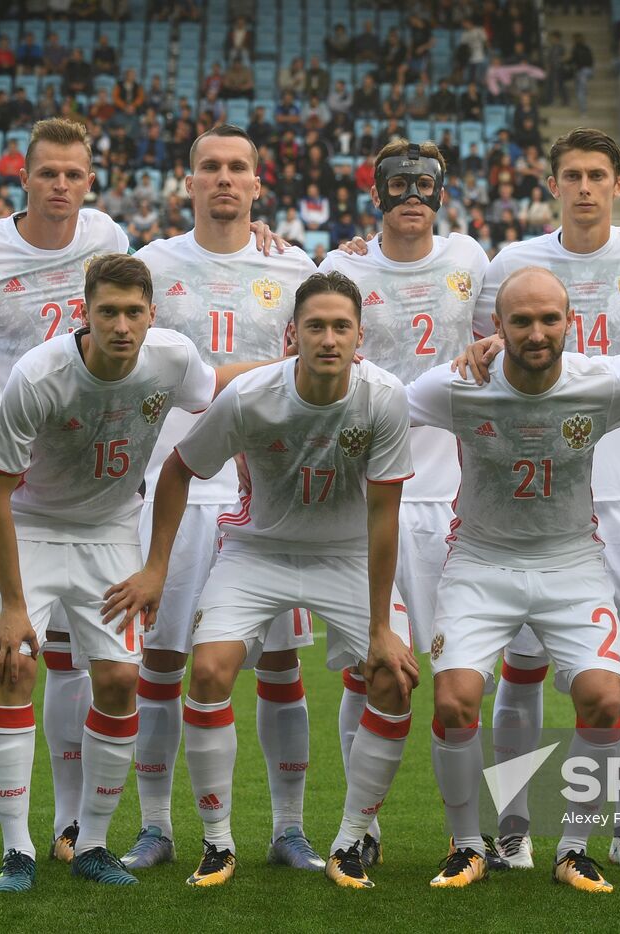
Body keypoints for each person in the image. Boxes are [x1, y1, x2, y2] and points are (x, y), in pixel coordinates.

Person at [0, 253, 259, 890]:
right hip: (33, 526)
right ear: (85, 312)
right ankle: (18, 847)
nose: (122, 325)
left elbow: (217, 388)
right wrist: (14, 605)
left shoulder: (174, 357)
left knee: (120, 680)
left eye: (134, 312)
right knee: (16, 664)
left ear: (152, 314)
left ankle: (94, 842)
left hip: (110, 534)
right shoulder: (38, 374)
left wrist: (156, 567)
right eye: (109, 311)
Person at [155, 270, 415, 890]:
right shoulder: (249, 395)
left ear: (361, 337)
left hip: (347, 555)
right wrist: (154, 567)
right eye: (315, 326)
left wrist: (381, 629)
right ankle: (218, 844)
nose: (328, 339)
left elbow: (384, 516)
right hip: (258, 552)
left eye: (341, 327)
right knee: (211, 670)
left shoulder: (384, 397)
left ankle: (351, 841)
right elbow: (178, 467)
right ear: (291, 334)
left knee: (396, 678)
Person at [467, 128, 620, 873]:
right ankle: (513, 825)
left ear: (619, 184)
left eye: (597, 175)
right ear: (550, 182)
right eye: (571, 175)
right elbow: (481, 364)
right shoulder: (512, 264)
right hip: (538, 493)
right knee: (522, 670)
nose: (584, 187)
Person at [0, 118, 130, 875]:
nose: (61, 186)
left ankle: (74, 824)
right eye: (48, 173)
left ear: (89, 180)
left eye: (74, 174)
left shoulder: (107, 235)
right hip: (0, 481)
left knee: (81, 666)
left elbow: (143, 300)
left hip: (85, 484)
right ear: (24, 176)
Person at [408, 266, 620, 893]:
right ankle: (466, 844)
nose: (537, 333)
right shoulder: (456, 386)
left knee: (604, 700)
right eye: (521, 321)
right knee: (455, 701)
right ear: (496, 328)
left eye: (549, 319)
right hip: (480, 562)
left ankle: (574, 848)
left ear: (571, 323)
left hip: (572, 561)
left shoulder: (605, 385)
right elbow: (380, 405)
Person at [126, 125, 321, 873]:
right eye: (210, 167)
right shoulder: (151, 265)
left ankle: (289, 828)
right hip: (175, 487)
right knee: (163, 661)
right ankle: (155, 827)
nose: (224, 179)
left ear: (258, 184)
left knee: (278, 667)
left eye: (238, 167)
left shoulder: (294, 266)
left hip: (267, 494)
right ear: (189, 182)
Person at [319, 139, 489, 866]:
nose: (413, 194)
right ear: (376, 192)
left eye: (426, 183)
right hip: (365, 501)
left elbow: (499, 344)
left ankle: (468, 836)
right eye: (399, 183)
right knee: (371, 671)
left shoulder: (473, 260)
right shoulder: (342, 267)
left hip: (453, 499)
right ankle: (362, 827)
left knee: (456, 682)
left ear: (442, 192)